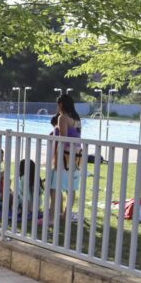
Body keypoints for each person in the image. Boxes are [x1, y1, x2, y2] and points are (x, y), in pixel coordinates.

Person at [47, 94, 82, 224]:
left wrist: (56, 158)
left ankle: (53, 216)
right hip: (77, 156)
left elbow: (63, 140)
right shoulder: (77, 118)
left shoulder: (63, 117)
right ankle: (66, 215)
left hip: (65, 156)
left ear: (61, 104)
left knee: (54, 187)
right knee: (70, 188)